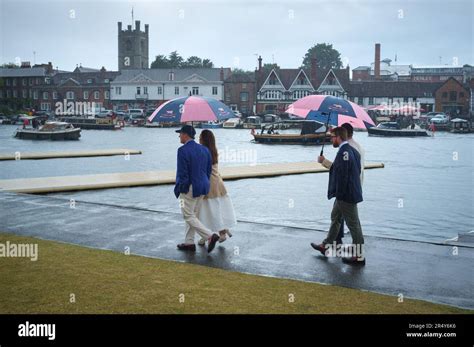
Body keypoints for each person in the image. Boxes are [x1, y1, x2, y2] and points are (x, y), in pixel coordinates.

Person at [312, 126, 365, 265]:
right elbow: (348, 170)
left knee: (353, 224)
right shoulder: (352, 151)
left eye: (332, 137)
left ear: (339, 137)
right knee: (335, 218)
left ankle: (359, 256)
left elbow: (343, 175)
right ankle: (326, 245)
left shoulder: (343, 153)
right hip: (347, 193)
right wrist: (323, 161)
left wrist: (340, 195)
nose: (331, 140)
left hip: (345, 195)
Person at [174, 125, 220, 253]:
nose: (179, 136)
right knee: (193, 215)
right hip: (203, 186)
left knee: (187, 215)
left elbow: (182, 173)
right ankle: (189, 242)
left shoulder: (182, 151)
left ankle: (210, 236)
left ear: (185, 134)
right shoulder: (205, 150)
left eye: (180, 133)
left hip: (188, 188)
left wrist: (180, 188)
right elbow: (208, 170)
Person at [197, 130, 237, 246]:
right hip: (218, 181)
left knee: (206, 210)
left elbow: (201, 168)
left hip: (208, 182)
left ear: (204, 139)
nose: (199, 139)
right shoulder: (213, 150)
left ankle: (210, 235)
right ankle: (220, 231)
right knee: (216, 208)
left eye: (200, 137)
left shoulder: (203, 152)